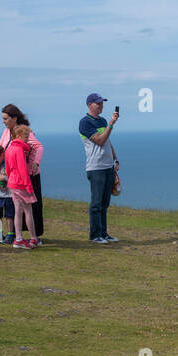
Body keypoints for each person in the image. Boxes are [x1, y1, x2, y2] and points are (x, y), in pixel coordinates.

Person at [0, 105, 43, 245]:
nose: (3, 122)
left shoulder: (24, 132)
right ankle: (26, 237)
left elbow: (38, 147)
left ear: (14, 118)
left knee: (27, 209)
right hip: (20, 178)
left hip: (26, 175)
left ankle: (25, 237)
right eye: (3, 119)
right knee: (22, 209)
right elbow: (0, 148)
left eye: (6, 119)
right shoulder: (7, 132)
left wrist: (35, 163)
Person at [78, 93, 119, 243]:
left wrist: (115, 159)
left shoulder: (101, 120)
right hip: (96, 167)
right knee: (96, 203)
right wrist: (111, 125)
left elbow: (108, 142)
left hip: (108, 166)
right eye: (98, 104)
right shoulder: (85, 123)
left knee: (105, 202)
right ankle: (95, 235)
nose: (101, 106)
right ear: (90, 105)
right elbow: (100, 141)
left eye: (102, 103)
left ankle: (103, 233)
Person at [5, 123, 40, 248]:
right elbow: (23, 170)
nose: (27, 139)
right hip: (21, 184)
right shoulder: (19, 150)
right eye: (25, 136)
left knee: (18, 211)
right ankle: (33, 238)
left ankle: (18, 238)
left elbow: (8, 168)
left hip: (12, 183)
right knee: (28, 211)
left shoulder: (9, 148)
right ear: (19, 135)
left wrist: (10, 180)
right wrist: (29, 186)